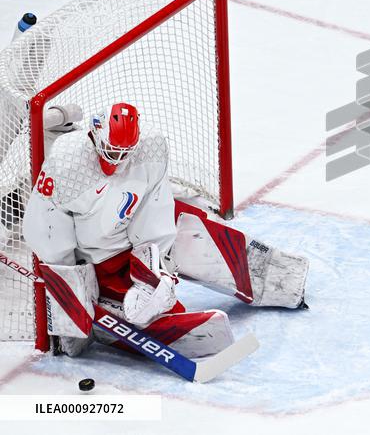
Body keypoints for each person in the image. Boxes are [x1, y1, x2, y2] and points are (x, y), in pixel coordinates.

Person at [23, 102, 309, 358]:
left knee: (190, 232)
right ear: (97, 135)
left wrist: (151, 267)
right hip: (99, 257)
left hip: (133, 229)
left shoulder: (151, 148)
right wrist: (71, 285)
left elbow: (155, 203)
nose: (117, 159)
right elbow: (45, 228)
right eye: (112, 150)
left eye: (125, 152)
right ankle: (146, 315)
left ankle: (282, 281)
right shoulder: (68, 163)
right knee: (144, 311)